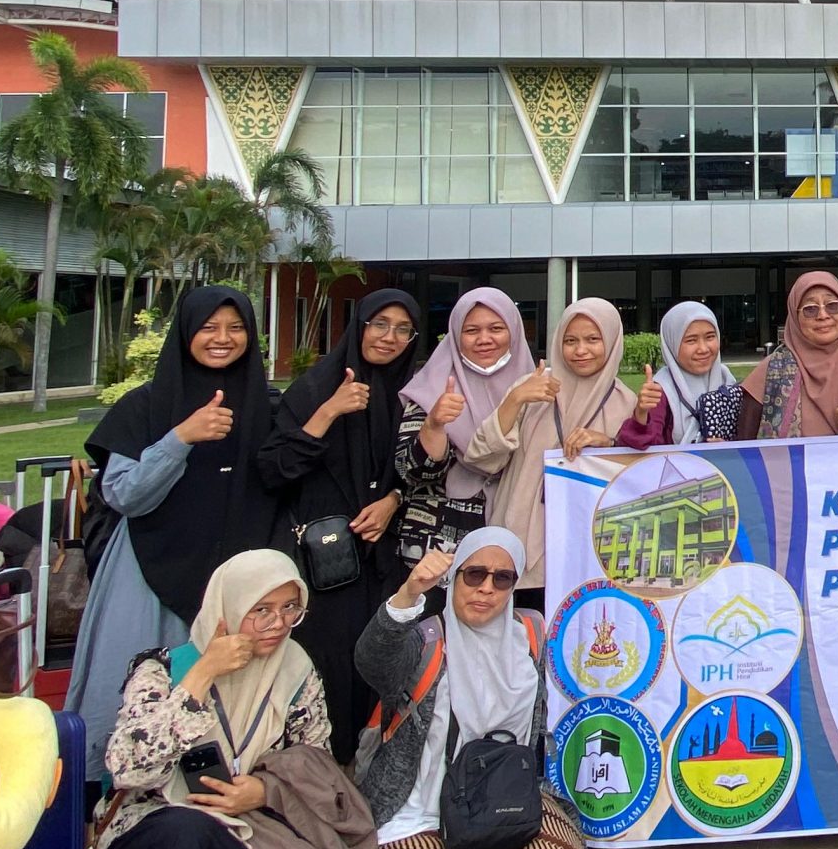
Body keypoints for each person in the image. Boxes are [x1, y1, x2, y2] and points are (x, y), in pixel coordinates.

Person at [83, 549, 374, 849]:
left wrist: (263, 791)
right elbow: (130, 769)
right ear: (228, 608)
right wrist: (202, 675)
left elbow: (316, 767)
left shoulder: (295, 672)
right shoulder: (164, 669)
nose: (276, 623)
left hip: (248, 828)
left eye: (289, 608)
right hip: (151, 829)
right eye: (260, 609)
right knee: (184, 834)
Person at [68, 286, 288, 781]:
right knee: (135, 691)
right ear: (186, 333)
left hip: (234, 583)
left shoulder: (267, 407)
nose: (223, 338)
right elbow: (123, 494)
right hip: (149, 573)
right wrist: (180, 438)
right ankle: (110, 803)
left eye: (236, 328)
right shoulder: (144, 407)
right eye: (209, 327)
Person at [351, 529, 588, 849]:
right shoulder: (424, 642)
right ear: (454, 578)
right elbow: (373, 660)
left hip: (496, 800)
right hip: (419, 810)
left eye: (502, 579)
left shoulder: (529, 635)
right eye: (474, 574)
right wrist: (408, 593)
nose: (486, 589)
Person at [258, 289, 428, 765]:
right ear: (359, 326)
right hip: (328, 564)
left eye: (402, 329)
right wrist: (330, 411)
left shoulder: (413, 395)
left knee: (386, 664)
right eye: (379, 324)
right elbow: (275, 470)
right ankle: (322, 776)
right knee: (331, 668)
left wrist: (392, 501)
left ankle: (383, 778)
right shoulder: (316, 388)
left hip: (386, 559)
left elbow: (423, 471)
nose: (389, 337)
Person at [460, 299, 636, 613]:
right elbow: (482, 458)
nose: (581, 350)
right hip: (522, 544)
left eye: (592, 340)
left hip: (590, 551)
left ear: (611, 341)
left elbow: (637, 480)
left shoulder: (625, 402)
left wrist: (607, 442)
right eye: (571, 341)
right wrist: (515, 400)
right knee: (524, 635)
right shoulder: (533, 389)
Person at [396, 288, 536, 568]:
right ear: (455, 334)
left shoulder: (534, 389)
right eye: (471, 330)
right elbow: (410, 472)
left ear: (514, 331)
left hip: (516, 536)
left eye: (496, 328)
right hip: (437, 543)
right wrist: (434, 425)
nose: (484, 339)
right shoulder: (432, 388)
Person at [739, 271, 838, 437]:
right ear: (795, 316)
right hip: (790, 463)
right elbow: (745, 442)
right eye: (810, 309)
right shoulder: (771, 371)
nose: (823, 315)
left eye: (833, 306)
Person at [617, 302, 743, 448]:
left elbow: (750, 437)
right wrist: (641, 415)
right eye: (691, 340)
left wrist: (729, 448)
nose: (703, 348)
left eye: (710, 337)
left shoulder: (728, 381)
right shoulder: (662, 390)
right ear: (672, 343)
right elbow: (646, 449)